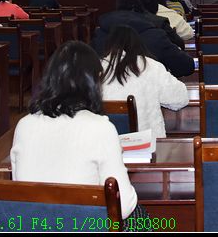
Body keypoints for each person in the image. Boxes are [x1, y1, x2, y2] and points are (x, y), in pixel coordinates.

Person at [10, 41, 139, 219]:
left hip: (35, 225)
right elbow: (123, 206)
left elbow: (18, 190)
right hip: (84, 225)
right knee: (141, 218)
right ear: (94, 82)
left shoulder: (24, 126)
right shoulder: (101, 128)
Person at [100, 25, 189, 139]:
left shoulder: (96, 69)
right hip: (148, 144)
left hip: (107, 144)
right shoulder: (152, 66)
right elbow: (181, 98)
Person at [92, 0, 194, 78]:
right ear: (143, 12)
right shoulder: (156, 35)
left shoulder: (99, 34)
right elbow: (186, 66)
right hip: (149, 92)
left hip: (103, 94)